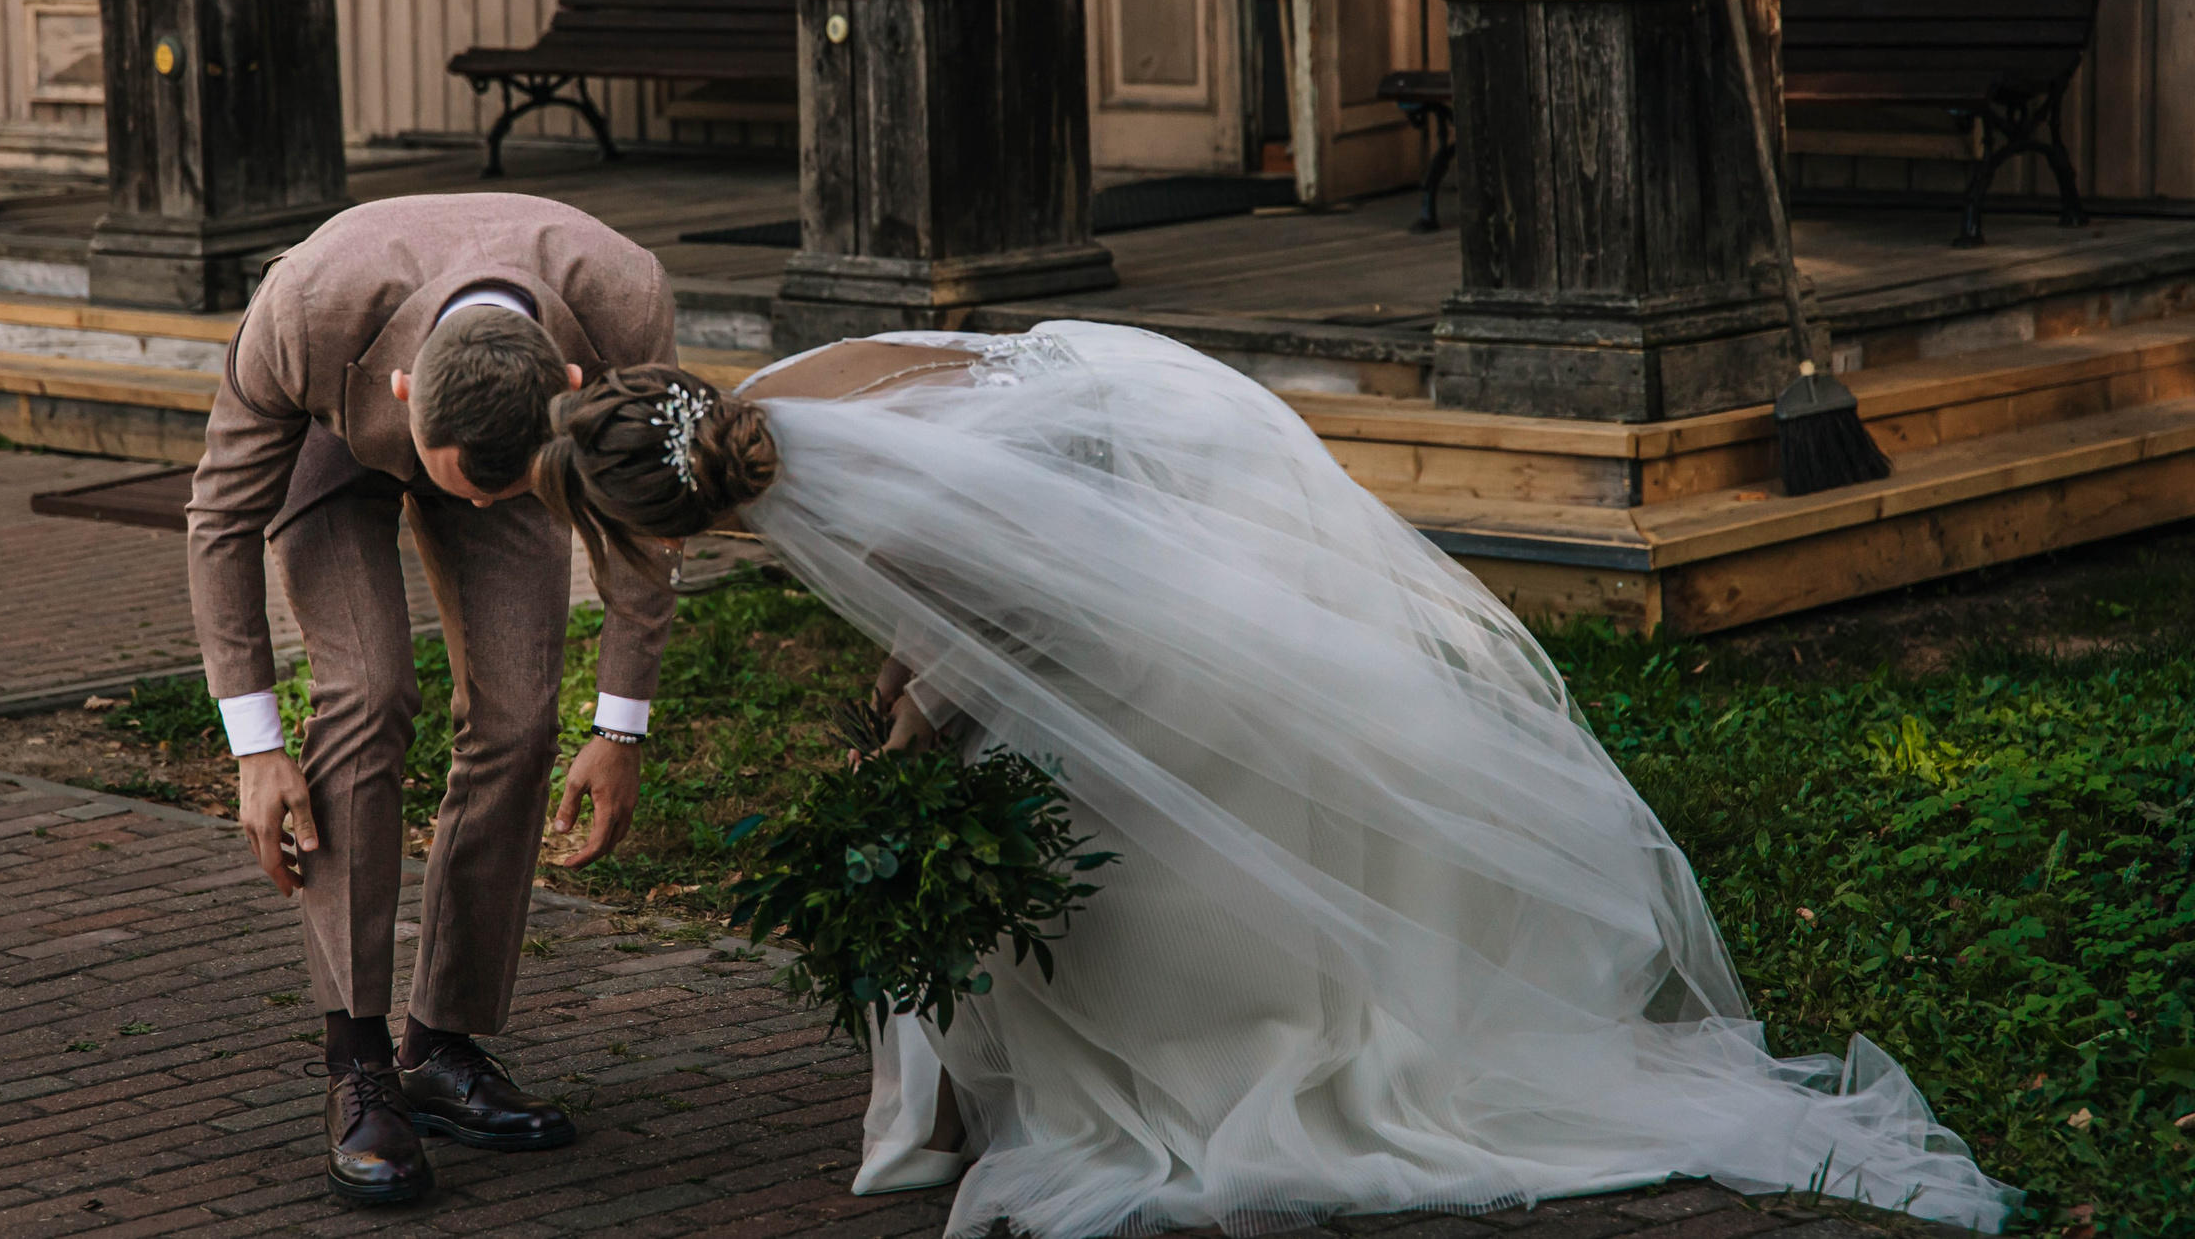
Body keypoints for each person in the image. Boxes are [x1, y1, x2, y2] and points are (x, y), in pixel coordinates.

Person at [528, 322, 2022, 1239]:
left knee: (1148, 796)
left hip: (1157, 516)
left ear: (691, 507)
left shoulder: (813, 485)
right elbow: (969, 562)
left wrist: (915, 729)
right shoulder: (774, 396)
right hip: (1143, 408)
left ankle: (1252, 1029)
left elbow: (1029, 607)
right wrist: (911, 679)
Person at [186, 193, 681, 1205]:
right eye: (463, 489)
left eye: (495, 496)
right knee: (368, 696)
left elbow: (641, 515)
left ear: (573, 386)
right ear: (408, 390)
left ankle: (442, 1048)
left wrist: (620, 724)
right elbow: (219, 522)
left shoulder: (623, 301)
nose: (473, 513)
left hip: (504, 427)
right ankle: (358, 1062)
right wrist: (255, 747)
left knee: (519, 716)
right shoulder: (303, 309)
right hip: (330, 430)